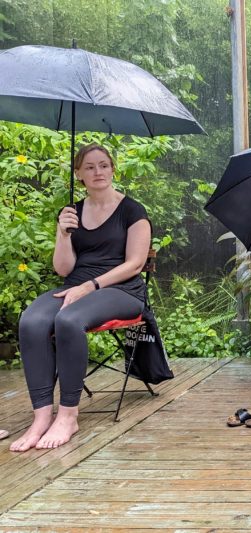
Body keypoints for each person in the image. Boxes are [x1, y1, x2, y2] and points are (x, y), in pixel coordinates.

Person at [10, 144, 151, 452]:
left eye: (103, 165)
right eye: (89, 167)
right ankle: (41, 416)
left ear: (113, 169)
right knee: (32, 320)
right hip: (75, 285)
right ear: (79, 174)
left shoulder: (133, 211)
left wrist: (91, 287)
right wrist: (62, 233)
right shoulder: (72, 212)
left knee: (68, 320)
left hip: (121, 290)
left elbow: (136, 263)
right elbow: (63, 269)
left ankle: (68, 415)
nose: (97, 172)